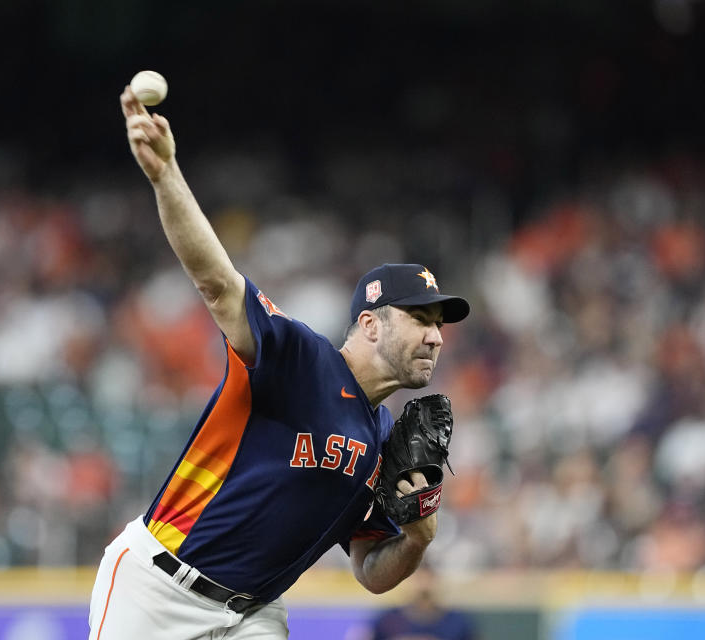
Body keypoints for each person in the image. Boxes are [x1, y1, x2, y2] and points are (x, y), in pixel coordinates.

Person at [87, 86, 470, 640]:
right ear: (370, 323)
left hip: (254, 615)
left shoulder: (384, 438)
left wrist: (417, 538)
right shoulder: (300, 359)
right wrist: (166, 174)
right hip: (161, 589)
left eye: (440, 325)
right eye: (420, 319)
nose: (436, 337)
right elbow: (217, 284)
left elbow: (370, 572)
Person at [368, 565, 478, 640]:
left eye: (429, 578)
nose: (423, 585)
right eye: (418, 579)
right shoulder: (388, 620)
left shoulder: (457, 621)